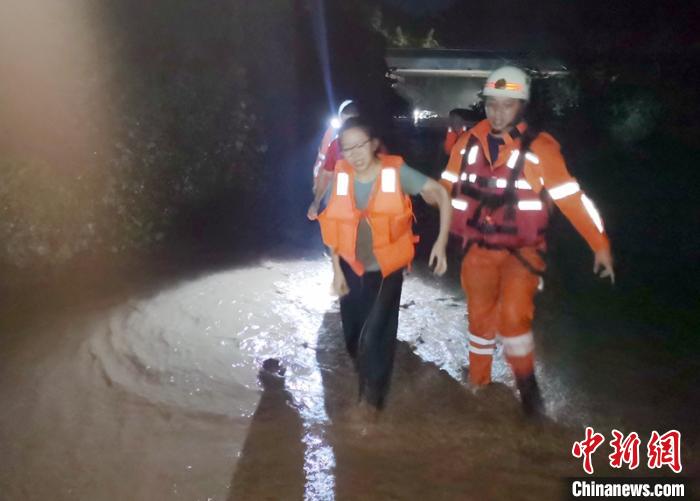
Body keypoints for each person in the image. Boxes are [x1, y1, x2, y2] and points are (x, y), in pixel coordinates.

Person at [439, 66, 614, 416]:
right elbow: (444, 189)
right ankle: (479, 386)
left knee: (514, 318)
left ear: (521, 106)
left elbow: (572, 199)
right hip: (477, 249)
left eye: (507, 104)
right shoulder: (466, 142)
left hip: (523, 252)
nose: (497, 112)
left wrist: (600, 244)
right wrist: (434, 236)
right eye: (492, 103)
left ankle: (529, 392)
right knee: (479, 319)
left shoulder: (541, 148)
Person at [311, 116, 452, 419]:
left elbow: (441, 193)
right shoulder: (342, 176)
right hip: (351, 267)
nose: (355, 154)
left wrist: (440, 243)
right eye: (347, 148)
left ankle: (370, 407)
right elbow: (335, 225)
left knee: (373, 335)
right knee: (353, 339)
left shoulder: (396, 172)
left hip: (387, 268)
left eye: (361, 145)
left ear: (374, 144)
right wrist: (336, 271)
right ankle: (371, 382)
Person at [310, 100, 359, 208]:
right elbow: (322, 161)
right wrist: (317, 184)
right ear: (340, 118)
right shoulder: (332, 137)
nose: (348, 126)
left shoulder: (366, 135)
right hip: (336, 183)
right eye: (345, 121)